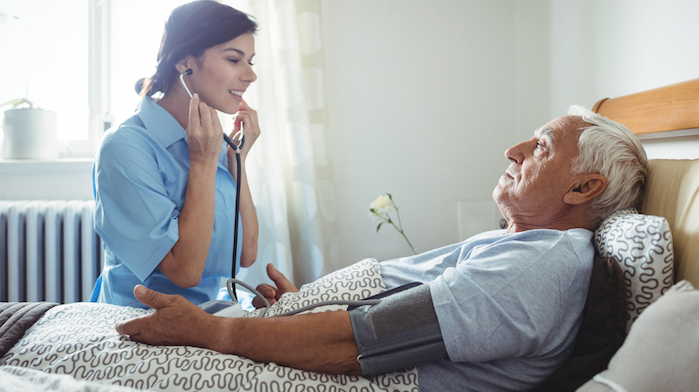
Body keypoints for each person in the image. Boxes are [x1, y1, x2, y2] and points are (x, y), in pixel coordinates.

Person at [114, 109, 648, 391]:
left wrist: (217, 331)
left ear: (583, 189)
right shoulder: (521, 245)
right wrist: (310, 305)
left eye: (542, 147)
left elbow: (362, 343)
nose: (514, 149)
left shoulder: (534, 268)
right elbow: (392, 320)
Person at [91, 0, 260, 308]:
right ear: (184, 61)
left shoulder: (211, 141)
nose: (251, 75)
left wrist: (237, 160)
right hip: (140, 322)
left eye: (251, 61)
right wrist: (204, 163)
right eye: (234, 60)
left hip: (205, 317)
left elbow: (246, 254)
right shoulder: (124, 147)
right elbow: (185, 271)